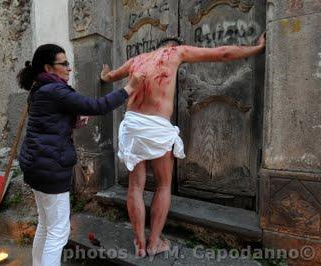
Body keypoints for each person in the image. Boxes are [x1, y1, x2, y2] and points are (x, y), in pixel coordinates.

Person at [101, 33, 266, 257]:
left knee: (135, 187)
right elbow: (223, 53)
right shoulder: (176, 52)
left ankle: (139, 244)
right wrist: (256, 49)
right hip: (157, 126)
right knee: (163, 185)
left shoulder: (136, 60)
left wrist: (104, 74)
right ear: (174, 47)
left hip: (132, 124)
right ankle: (154, 242)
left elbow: (110, 76)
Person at [17, 44, 143, 266]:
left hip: (35, 164)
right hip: (50, 167)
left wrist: (75, 119)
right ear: (49, 67)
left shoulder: (40, 89)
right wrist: (128, 89)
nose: (69, 68)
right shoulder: (56, 90)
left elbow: (51, 120)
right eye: (64, 64)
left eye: (68, 63)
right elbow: (97, 105)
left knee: (46, 224)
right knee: (58, 231)